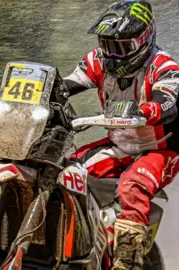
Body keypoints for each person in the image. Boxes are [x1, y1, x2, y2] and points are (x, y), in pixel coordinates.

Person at [64, 0, 179, 269]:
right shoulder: (97, 60)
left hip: (159, 149)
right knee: (66, 174)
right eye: (107, 45)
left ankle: (127, 261)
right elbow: (65, 84)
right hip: (118, 144)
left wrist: (147, 109)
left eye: (121, 47)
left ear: (144, 40)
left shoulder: (164, 66)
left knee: (132, 185)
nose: (112, 55)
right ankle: (79, 242)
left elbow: (168, 102)